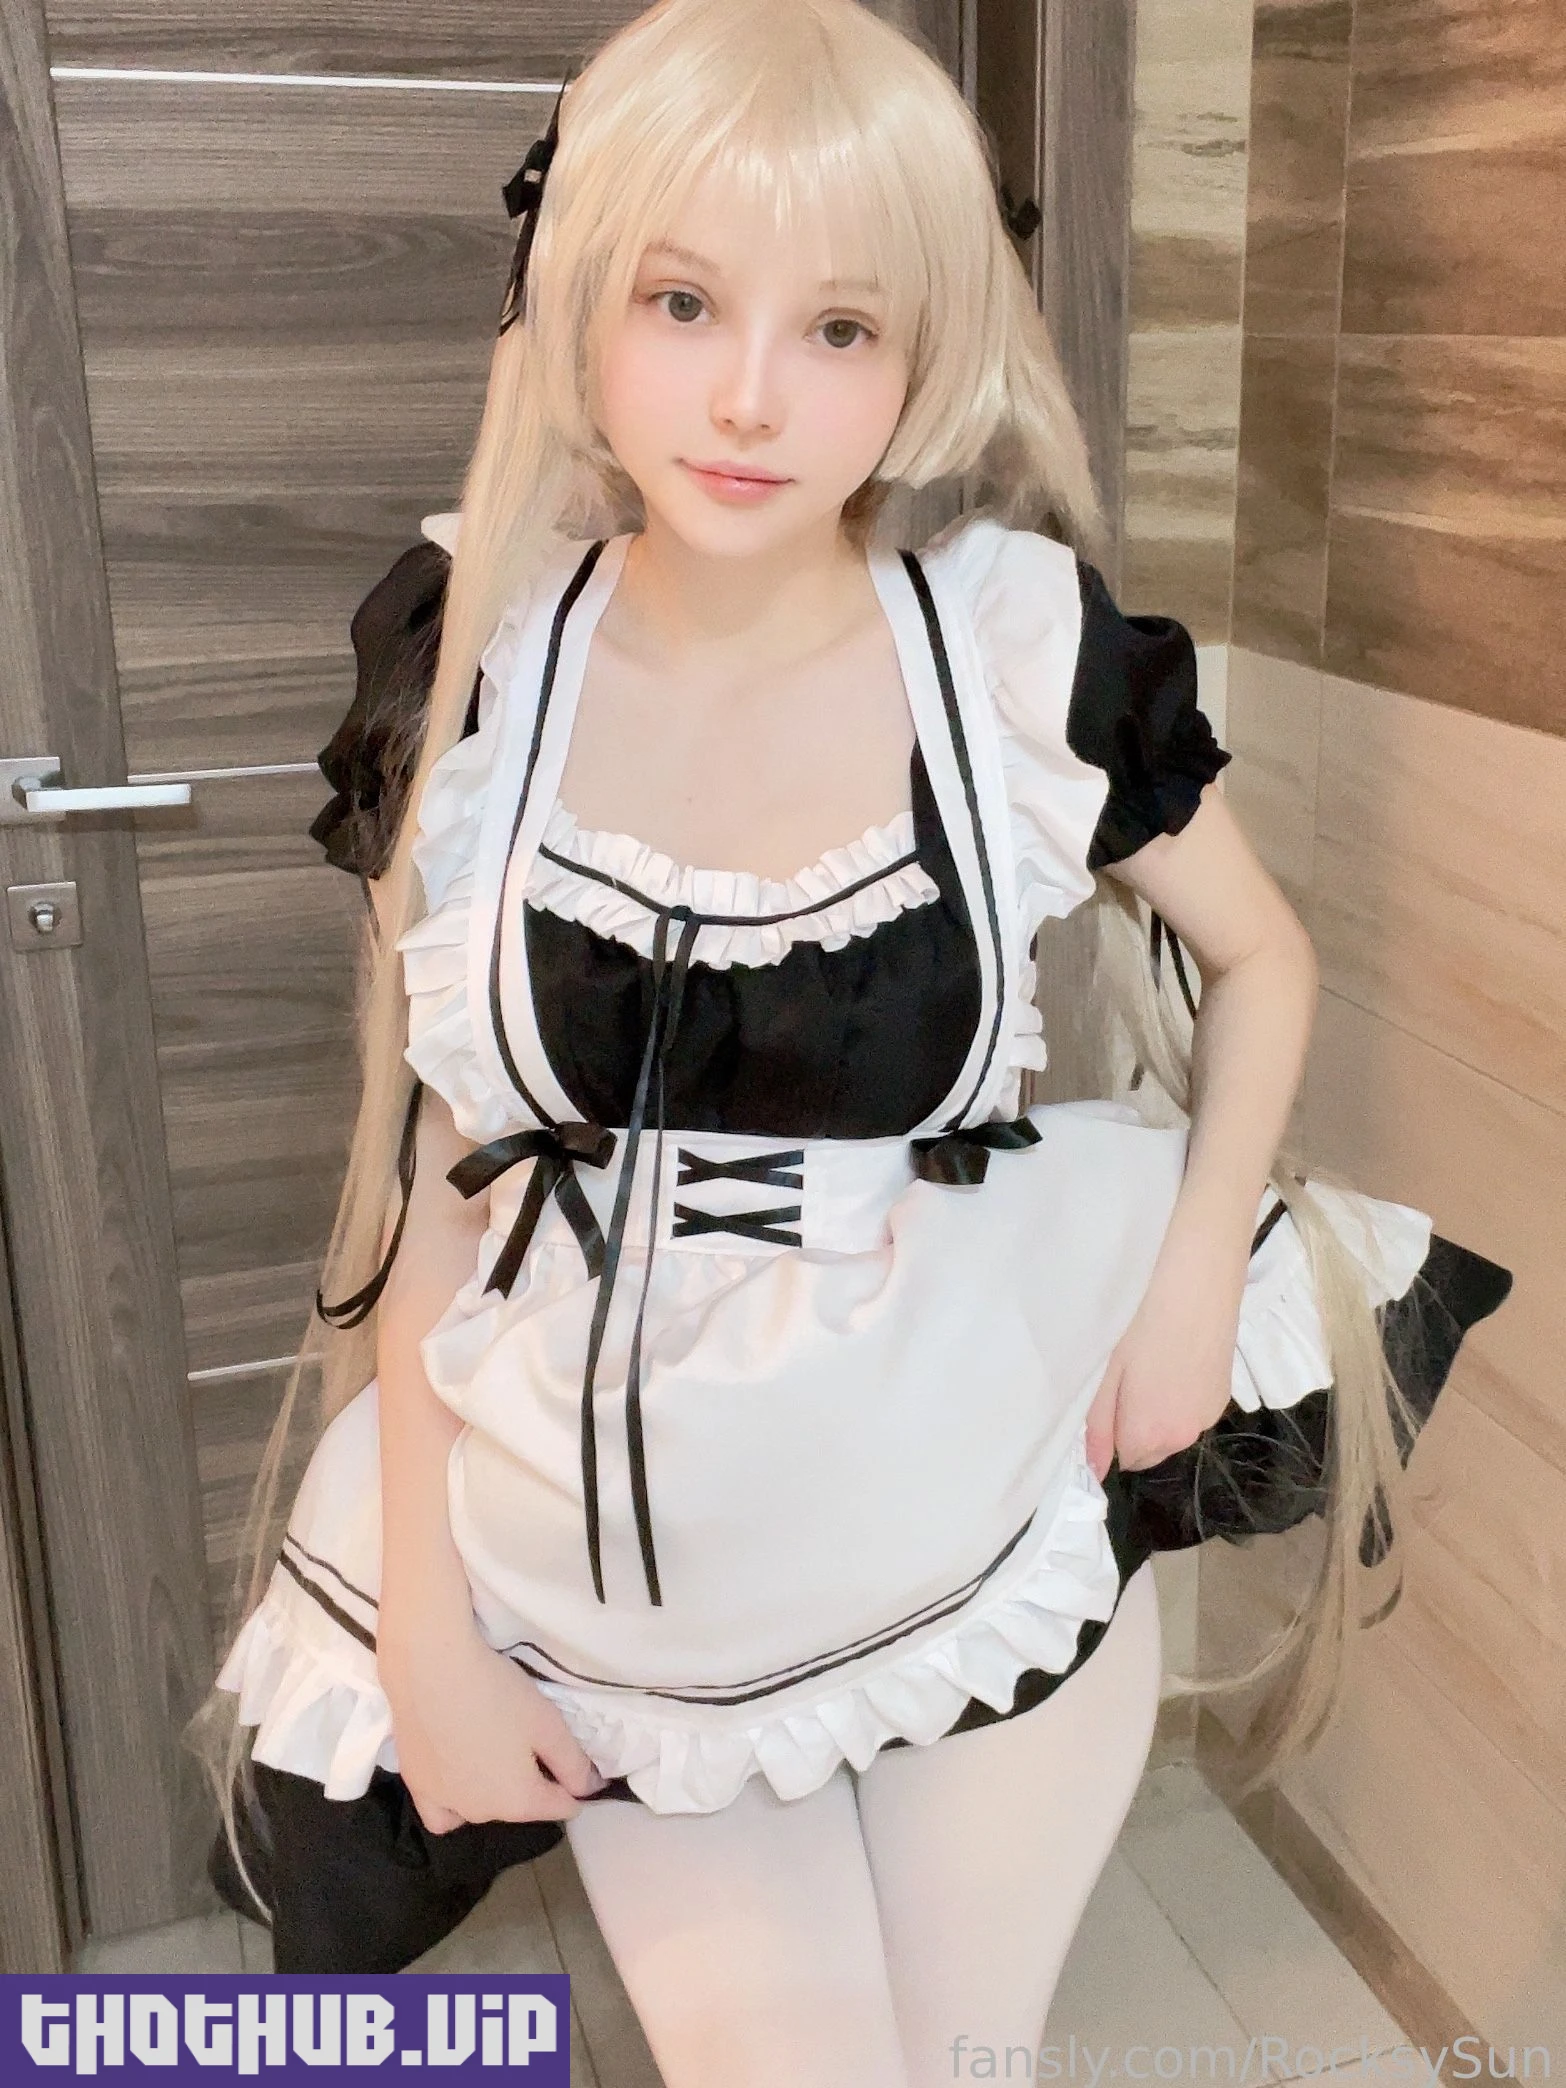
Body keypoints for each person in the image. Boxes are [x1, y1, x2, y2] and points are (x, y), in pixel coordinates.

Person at [189, 0, 1510, 2073]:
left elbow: (1266, 960)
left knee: (966, 2057)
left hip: (965, 1455)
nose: (748, 394)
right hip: (628, 1549)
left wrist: (1189, 1285)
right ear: (573, 298)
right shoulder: (472, 671)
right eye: (683, 301)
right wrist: (431, 1634)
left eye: (837, 327)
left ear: (919, 356)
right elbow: (444, 1181)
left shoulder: (1013, 649)